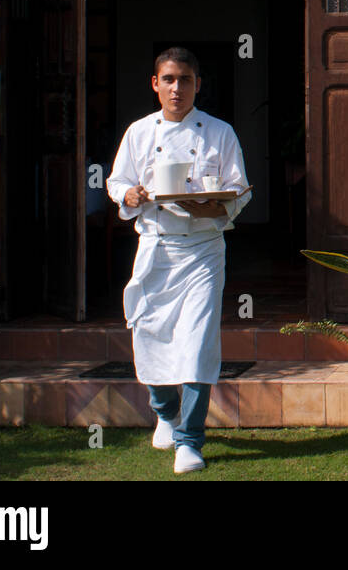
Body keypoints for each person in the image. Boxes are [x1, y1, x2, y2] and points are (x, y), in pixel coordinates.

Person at [106, 47, 252, 474]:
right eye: (168, 79)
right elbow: (118, 180)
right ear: (155, 84)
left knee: (197, 343)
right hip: (156, 249)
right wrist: (127, 195)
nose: (176, 88)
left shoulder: (220, 133)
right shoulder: (137, 133)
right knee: (148, 334)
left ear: (197, 85)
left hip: (203, 251)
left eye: (185, 80)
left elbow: (240, 189)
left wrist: (218, 209)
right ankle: (165, 412)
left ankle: (190, 441)